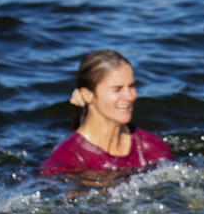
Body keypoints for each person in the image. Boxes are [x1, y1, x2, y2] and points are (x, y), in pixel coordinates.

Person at [40, 50, 173, 178]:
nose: (130, 96)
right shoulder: (65, 162)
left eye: (132, 86)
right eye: (117, 89)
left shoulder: (153, 147)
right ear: (87, 95)